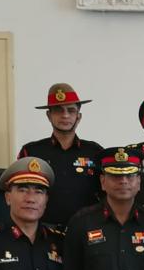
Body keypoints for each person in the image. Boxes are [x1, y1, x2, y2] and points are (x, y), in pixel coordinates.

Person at [17, 83, 102, 229]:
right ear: (49, 115)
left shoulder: (95, 152)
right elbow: (19, 193)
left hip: (86, 233)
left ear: (79, 116)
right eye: (58, 110)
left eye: (71, 110)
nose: (65, 115)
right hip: (43, 234)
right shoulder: (31, 152)